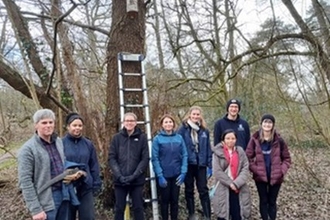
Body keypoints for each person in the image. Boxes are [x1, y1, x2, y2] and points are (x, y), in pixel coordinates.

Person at [18, 109, 66, 220]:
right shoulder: (28, 149)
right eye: (44, 123)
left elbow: (62, 164)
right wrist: (36, 209)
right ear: (36, 125)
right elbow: (25, 181)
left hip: (64, 195)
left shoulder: (58, 141)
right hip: (45, 200)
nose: (48, 125)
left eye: (51, 122)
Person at [245, 114, 291, 220]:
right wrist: (255, 170)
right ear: (261, 124)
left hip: (276, 177)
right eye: (265, 122)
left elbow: (287, 159)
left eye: (270, 122)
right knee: (263, 200)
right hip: (260, 176)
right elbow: (248, 157)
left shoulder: (279, 140)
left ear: (273, 125)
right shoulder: (254, 139)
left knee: (272, 201)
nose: (267, 124)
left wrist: (281, 171)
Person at [108, 112, 149, 220]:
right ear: (123, 122)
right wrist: (119, 176)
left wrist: (134, 176)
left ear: (136, 123)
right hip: (120, 180)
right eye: (127, 121)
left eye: (131, 121)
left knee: (138, 208)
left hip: (137, 181)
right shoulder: (116, 138)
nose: (129, 123)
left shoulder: (142, 138)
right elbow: (112, 158)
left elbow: (144, 159)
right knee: (119, 208)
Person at [62, 113, 102, 220]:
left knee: (88, 217)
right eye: (74, 125)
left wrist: (96, 183)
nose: (77, 128)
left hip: (85, 186)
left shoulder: (88, 144)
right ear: (68, 126)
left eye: (80, 126)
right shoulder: (61, 143)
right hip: (68, 187)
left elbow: (94, 164)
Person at [177, 106, 213, 220]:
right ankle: (191, 214)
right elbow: (179, 147)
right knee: (189, 189)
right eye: (194, 114)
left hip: (201, 164)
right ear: (189, 115)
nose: (196, 116)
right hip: (188, 163)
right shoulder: (182, 130)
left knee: (203, 189)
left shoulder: (204, 131)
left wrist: (210, 165)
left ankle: (207, 215)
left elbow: (208, 148)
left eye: (198, 114)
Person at [151, 114, 188, 220]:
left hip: (176, 174)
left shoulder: (179, 138)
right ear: (162, 125)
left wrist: (183, 172)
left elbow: (184, 155)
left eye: (170, 122)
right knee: (164, 201)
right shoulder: (157, 139)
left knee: (175, 201)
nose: (168, 124)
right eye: (166, 122)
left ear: (173, 124)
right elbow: (155, 158)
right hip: (164, 175)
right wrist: (160, 175)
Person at [212, 129, 251, 220]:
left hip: (238, 186)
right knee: (223, 214)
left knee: (238, 213)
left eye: (233, 138)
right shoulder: (217, 153)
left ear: (236, 139)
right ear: (223, 140)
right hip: (223, 186)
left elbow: (245, 168)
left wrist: (236, 183)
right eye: (228, 138)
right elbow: (217, 171)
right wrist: (230, 183)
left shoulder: (240, 152)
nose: (230, 140)